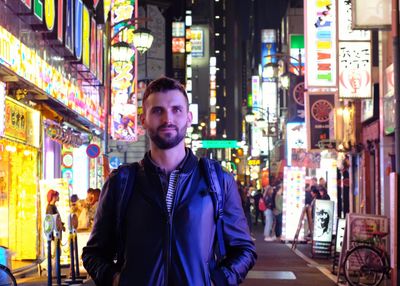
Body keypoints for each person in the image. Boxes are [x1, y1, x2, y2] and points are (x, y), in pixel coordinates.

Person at [82, 76, 256, 286]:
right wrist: (117, 280)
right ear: (143, 119)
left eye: (176, 110)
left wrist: (217, 281)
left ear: (188, 117)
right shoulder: (122, 182)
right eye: (157, 111)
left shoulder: (216, 180)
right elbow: (94, 254)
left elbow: (244, 249)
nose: (167, 119)